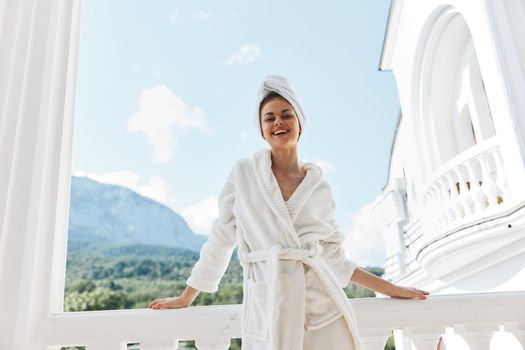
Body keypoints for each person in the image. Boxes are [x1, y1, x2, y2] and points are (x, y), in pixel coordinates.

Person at [149, 75, 429, 349]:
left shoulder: (318, 188)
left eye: (286, 115)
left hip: (321, 311)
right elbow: (221, 238)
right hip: (268, 307)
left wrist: (393, 289)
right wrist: (188, 296)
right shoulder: (244, 174)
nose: (278, 122)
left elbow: (334, 259)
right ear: (261, 129)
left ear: (300, 124)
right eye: (269, 118)